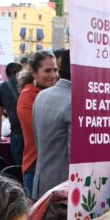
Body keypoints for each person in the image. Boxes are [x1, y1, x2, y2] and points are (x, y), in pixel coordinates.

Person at [17, 50, 58, 197]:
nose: (53, 75)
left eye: (55, 70)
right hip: (36, 168)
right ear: (34, 73)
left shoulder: (58, 93)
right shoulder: (27, 97)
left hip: (57, 167)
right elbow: (41, 132)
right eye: (47, 70)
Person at [32, 49, 71, 199]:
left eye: (54, 70)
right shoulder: (74, 102)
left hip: (41, 183)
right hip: (61, 193)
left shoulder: (41, 95)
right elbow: (74, 161)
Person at [0, 61, 23, 164]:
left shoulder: (3, 87)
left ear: (7, 74)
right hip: (34, 133)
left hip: (17, 133)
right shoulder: (31, 83)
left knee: (19, 169)